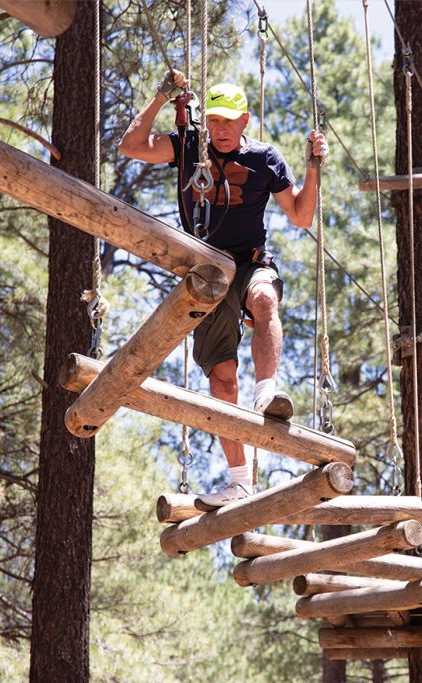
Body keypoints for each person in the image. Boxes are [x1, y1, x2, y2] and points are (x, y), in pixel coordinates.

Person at [119, 70, 328, 507]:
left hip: (249, 261)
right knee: (221, 378)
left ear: (245, 120)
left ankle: (267, 392)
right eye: (214, 121)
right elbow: (130, 146)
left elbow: (302, 216)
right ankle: (239, 482)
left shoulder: (265, 160)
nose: (221, 129)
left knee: (265, 297)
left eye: (229, 121)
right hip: (207, 270)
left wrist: (313, 168)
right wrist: (161, 97)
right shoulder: (189, 148)